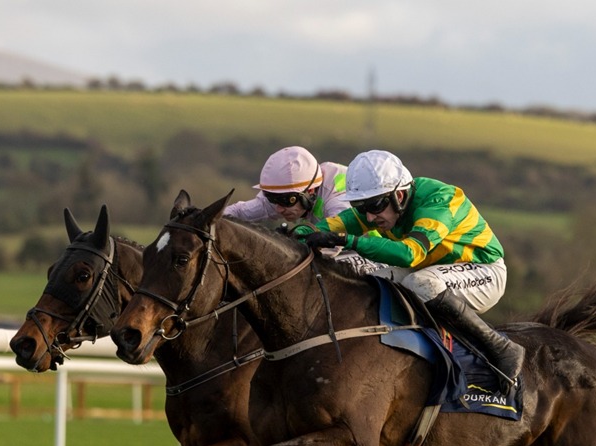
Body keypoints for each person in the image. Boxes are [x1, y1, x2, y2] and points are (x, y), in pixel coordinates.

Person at [293, 149, 524, 393]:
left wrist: (349, 241)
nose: (370, 216)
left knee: (421, 283)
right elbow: (336, 224)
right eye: (361, 208)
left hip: (483, 272)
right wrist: (302, 233)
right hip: (433, 270)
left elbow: (409, 254)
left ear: (400, 195)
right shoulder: (381, 204)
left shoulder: (440, 200)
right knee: (366, 281)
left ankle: (500, 347)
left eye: (374, 206)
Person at [224, 145, 379, 274]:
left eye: (286, 201)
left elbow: (329, 246)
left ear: (310, 192)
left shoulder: (337, 201)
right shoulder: (291, 191)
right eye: (272, 199)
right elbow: (239, 212)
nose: (278, 208)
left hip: (378, 250)